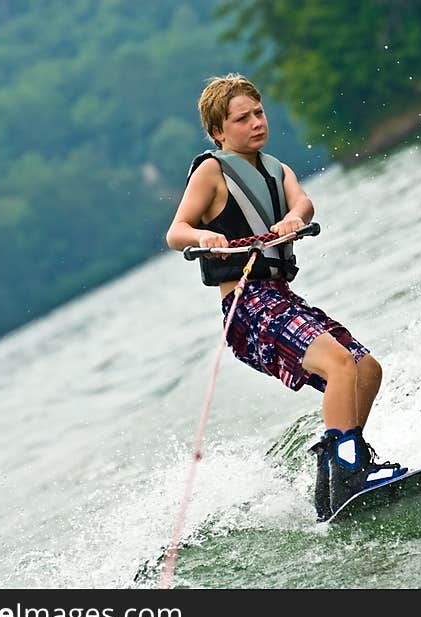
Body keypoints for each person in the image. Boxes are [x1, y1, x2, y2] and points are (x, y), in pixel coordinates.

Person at [165, 74, 406, 521]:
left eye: (259, 113)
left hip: (281, 298)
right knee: (338, 364)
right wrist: (205, 236)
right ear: (219, 132)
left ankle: (336, 470)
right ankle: (349, 470)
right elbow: (176, 231)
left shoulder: (278, 170)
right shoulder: (211, 172)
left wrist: (293, 218)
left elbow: (304, 204)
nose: (256, 123)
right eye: (242, 119)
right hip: (247, 307)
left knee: (365, 368)